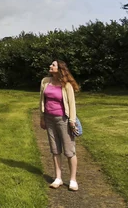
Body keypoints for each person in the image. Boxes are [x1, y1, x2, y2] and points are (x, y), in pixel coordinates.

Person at [39, 60, 80, 191]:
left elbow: (72, 104)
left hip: (64, 120)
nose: (50, 66)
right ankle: (58, 178)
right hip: (49, 119)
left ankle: (73, 180)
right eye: (50, 64)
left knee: (69, 151)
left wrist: (72, 121)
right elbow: (41, 100)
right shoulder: (45, 81)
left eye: (53, 65)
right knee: (55, 149)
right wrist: (42, 117)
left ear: (60, 69)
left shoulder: (66, 85)